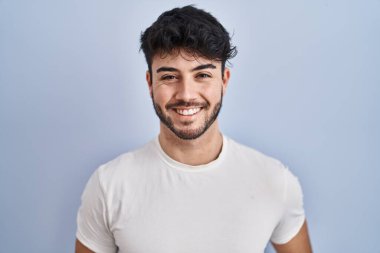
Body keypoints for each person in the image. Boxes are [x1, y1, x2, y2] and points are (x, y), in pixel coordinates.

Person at [75, 5, 312, 253]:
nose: (186, 94)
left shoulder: (275, 181)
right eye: (169, 77)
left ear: (224, 81)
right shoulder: (109, 186)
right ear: (150, 83)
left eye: (202, 75)